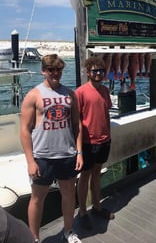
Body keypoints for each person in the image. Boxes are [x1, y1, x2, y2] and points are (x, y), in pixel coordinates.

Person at [20, 54, 83, 243]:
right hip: (43, 156)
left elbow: (76, 125)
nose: (55, 73)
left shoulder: (70, 95)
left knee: (69, 194)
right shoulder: (33, 95)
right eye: (51, 69)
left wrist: (79, 152)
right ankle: (34, 238)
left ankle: (68, 231)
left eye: (58, 70)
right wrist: (31, 161)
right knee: (37, 199)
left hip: (67, 154)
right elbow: (24, 130)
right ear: (43, 71)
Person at [75, 56, 115, 227]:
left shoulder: (105, 90)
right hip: (87, 142)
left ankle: (97, 206)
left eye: (101, 71)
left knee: (97, 174)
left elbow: (106, 111)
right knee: (84, 176)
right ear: (88, 72)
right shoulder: (80, 92)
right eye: (95, 71)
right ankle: (82, 210)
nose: (98, 73)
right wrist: (77, 149)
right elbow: (76, 120)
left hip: (105, 140)